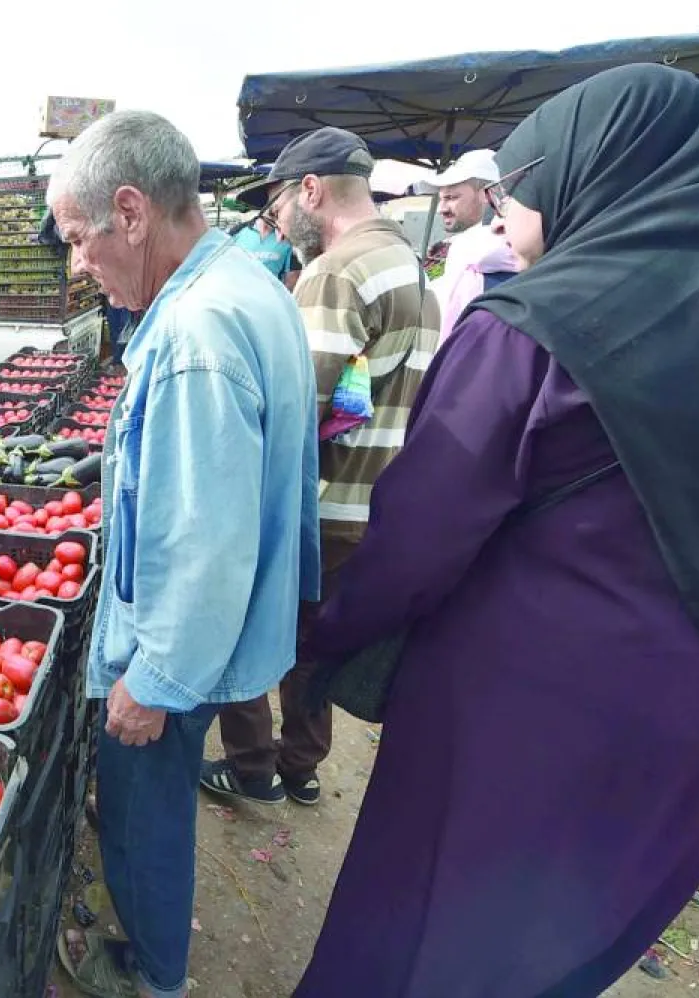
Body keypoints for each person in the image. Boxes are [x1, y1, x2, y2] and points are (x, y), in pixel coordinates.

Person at [293, 64, 699, 996]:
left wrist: (328, 632)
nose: (503, 223)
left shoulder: (536, 326)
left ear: (595, 170)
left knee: (426, 934)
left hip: (516, 715)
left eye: (519, 192)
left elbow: (419, 532)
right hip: (681, 740)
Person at [48, 109, 320, 998]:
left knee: (143, 815)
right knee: (148, 808)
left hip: (183, 647)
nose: (79, 265)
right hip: (227, 633)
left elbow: (206, 543)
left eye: (80, 240)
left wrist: (154, 679)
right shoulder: (248, 285)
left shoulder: (194, 336)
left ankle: (151, 975)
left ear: (131, 212)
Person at [201, 127, 439, 807]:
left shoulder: (338, 271)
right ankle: (300, 766)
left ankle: (250, 765)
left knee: (250, 626)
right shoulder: (410, 266)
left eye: (277, 205)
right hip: (371, 501)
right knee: (314, 645)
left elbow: (294, 402)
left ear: (311, 190)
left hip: (319, 501)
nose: (276, 221)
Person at [417, 148, 519, 337]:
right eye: (440, 199)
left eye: (452, 197)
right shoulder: (443, 250)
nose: (442, 209)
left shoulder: (472, 248)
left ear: (487, 194)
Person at [228, 214, 301, 289]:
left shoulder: (288, 237)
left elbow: (292, 277)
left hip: (269, 296)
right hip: (237, 293)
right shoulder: (239, 230)